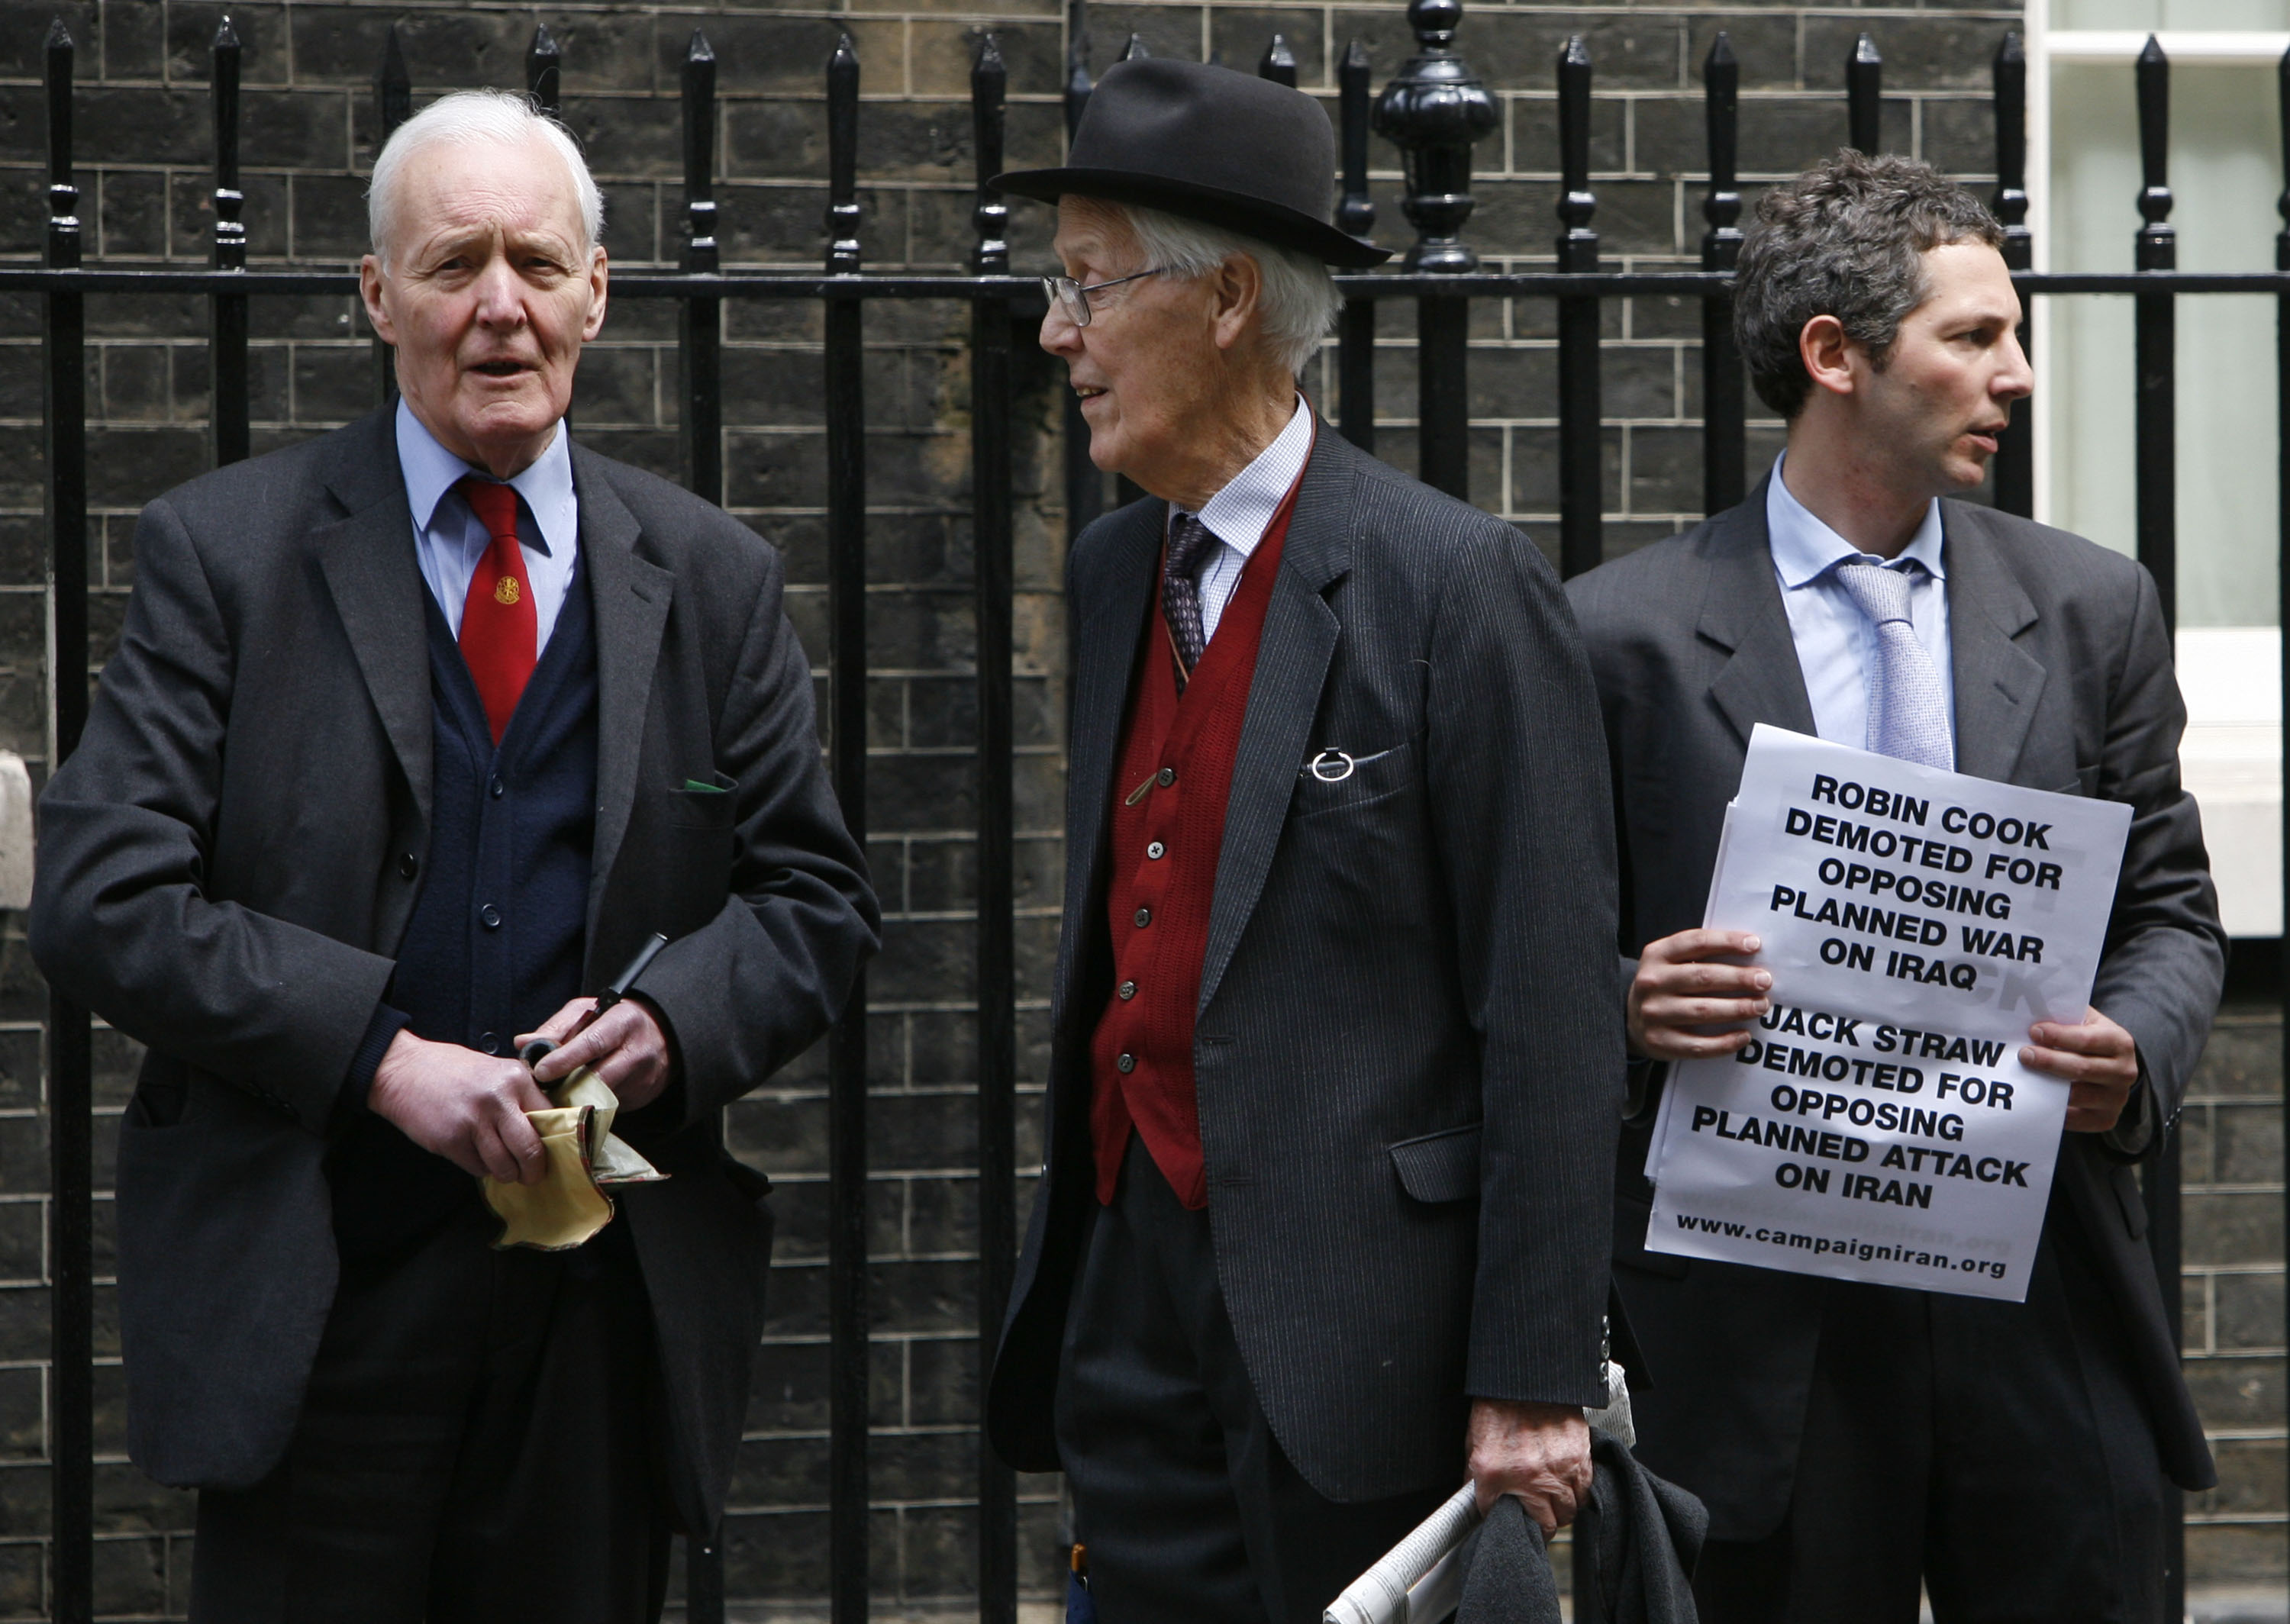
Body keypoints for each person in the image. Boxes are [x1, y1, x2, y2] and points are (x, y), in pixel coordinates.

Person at [27, 90, 878, 1623]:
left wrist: (680, 1018)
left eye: (539, 264)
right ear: (377, 296)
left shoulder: (713, 575)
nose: (500, 306)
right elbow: (103, 898)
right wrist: (378, 1053)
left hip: (598, 1318)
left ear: (597, 292)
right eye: (453, 263)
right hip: (320, 1302)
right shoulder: (226, 554)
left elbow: (815, 898)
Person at [982, 58, 1623, 1623]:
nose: (1056, 335)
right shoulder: (1124, 565)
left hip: (1365, 1339)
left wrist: (1532, 1374)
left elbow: (1546, 1000)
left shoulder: (1454, 585)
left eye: (1087, 287)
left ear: (1225, 302)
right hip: (1130, 1288)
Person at [1568, 151, 2223, 1623]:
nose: (2022, 374)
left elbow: (2171, 907)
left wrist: (2137, 1050)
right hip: (1755, 1330)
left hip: (2043, 1293)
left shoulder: (2091, 605)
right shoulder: (1616, 637)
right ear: (1836, 357)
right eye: (1975, 336)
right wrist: (1628, 997)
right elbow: (1514, 947)